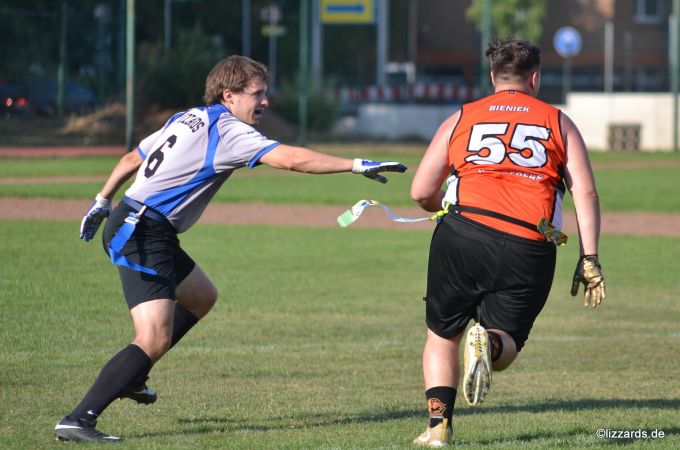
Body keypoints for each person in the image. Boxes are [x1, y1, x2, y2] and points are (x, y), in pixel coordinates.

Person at [54, 55, 407, 442]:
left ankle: (132, 376)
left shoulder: (186, 117)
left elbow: (130, 159)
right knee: (152, 337)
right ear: (230, 95)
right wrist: (356, 165)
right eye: (258, 93)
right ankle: (79, 418)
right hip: (142, 231)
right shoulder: (229, 130)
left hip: (138, 223)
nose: (265, 101)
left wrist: (102, 201)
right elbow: (290, 159)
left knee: (201, 296)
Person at [409, 38, 606, 447]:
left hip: (462, 233)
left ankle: (438, 427)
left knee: (443, 334)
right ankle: (491, 343)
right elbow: (585, 193)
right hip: (527, 242)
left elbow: (420, 190)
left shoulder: (462, 117)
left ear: (492, 77)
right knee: (508, 342)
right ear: (535, 78)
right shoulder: (558, 121)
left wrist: (439, 207)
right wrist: (590, 257)